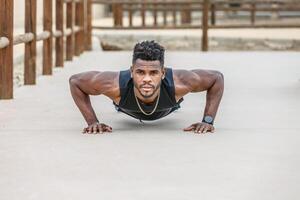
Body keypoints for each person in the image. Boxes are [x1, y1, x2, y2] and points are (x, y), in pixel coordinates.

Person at [69, 40, 224, 134]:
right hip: (126, 108)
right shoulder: (113, 85)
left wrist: (208, 121)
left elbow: (216, 78)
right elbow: (75, 81)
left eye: (154, 73)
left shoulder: (181, 82)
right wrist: (92, 122)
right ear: (131, 72)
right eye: (140, 72)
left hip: (169, 107)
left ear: (163, 73)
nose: (147, 79)